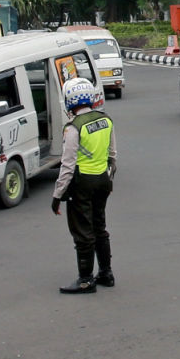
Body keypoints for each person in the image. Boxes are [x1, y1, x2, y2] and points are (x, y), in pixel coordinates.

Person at [51, 77, 117, 295]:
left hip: (82, 183)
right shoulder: (105, 120)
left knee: (82, 232)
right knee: (99, 226)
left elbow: (67, 165)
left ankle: (86, 280)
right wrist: (108, 177)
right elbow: (112, 154)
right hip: (103, 181)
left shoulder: (73, 128)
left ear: (70, 101)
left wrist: (57, 195)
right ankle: (106, 273)